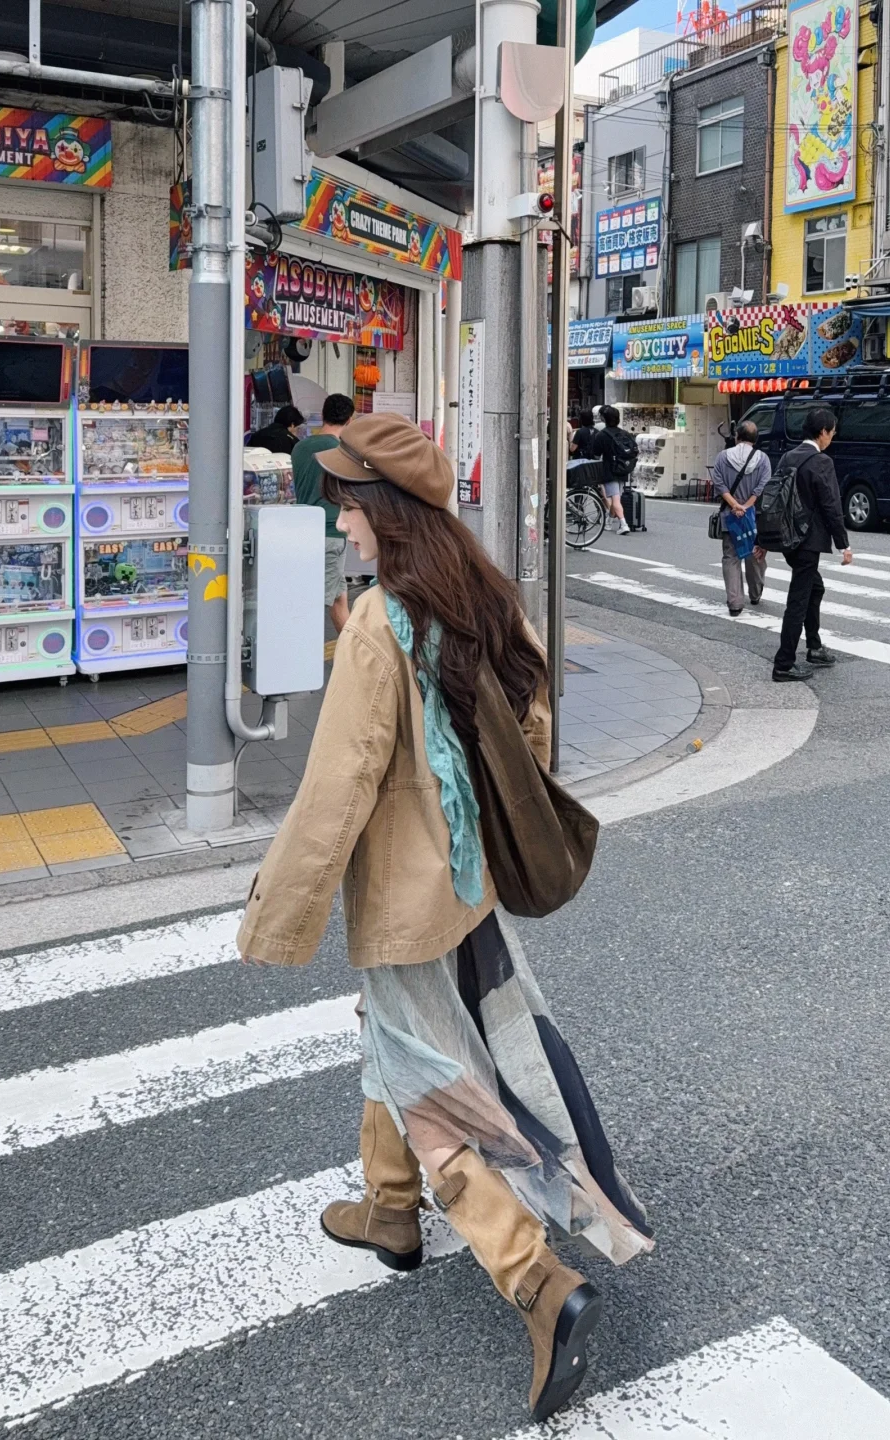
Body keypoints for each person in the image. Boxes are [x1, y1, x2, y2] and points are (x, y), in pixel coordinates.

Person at [237, 412, 654, 1423]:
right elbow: (534, 728)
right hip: (467, 885)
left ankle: (536, 1281)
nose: (341, 522)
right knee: (397, 1037)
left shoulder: (380, 622)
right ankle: (390, 1214)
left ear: (386, 511)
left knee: (431, 1091)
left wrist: (276, 915)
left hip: (405, 895)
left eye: (348, 504)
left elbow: (338, 784)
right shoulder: (486, 599)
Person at [772, 405, 853, 682]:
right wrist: (844, 544)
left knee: (815, 589)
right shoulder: (821, 462)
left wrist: (763, 540)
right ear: (823, 432)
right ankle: (784, 663)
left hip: (788, 539)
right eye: (832, 432)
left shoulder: (788, 457)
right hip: (808, 541)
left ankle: (815, 646)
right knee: (798, 600)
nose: (832, 437)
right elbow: (831, 505)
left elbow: (775, 499)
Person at [292, 392, 355, 633]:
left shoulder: (299, 448)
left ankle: (352, 649)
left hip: (304, 531)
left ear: (322, 415)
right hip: (332, 533)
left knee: (339, 599)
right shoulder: (342, 452)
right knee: (317, 602)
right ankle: (301, 647)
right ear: (350, 420)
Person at [710, 419, 771, 617]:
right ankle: (755, 593)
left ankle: (735, 603)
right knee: (755, 554)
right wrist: (747, 505)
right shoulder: (763, 459)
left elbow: (719, 484)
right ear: (756, 439)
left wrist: (734, 504)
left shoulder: (723, 457)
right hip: (753, 516)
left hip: (730, 515)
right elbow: (762, 487)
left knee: (731, 556)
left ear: (737, 436)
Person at [593, 405, 636, 535]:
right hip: (623, 469)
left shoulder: (602, 435)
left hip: (609, 470)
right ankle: (609, 521)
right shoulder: (625, 434)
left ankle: (623, 524)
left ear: (604, 419)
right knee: (616, 497)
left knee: (615, 499)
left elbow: (596, 454)